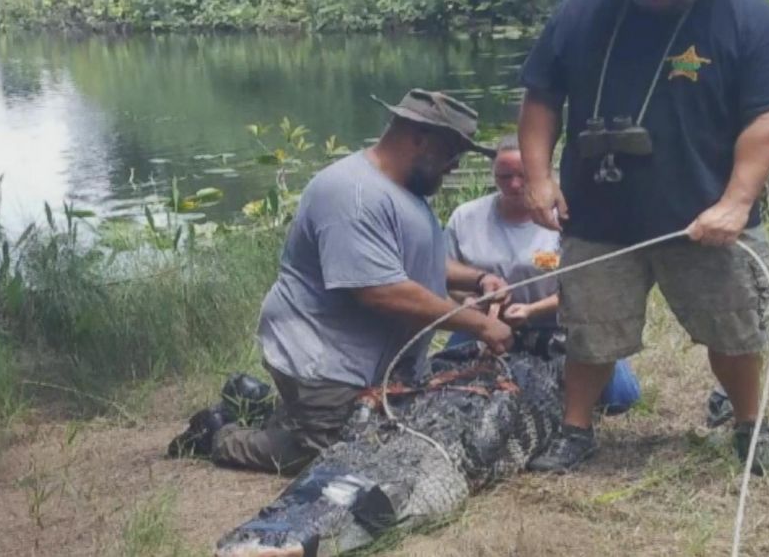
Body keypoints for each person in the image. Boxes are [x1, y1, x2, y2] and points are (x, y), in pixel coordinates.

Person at [518, 0, 769, 475]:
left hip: (705, 217)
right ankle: (576, 431)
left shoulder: (747, 17)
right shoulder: (578, 16)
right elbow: (541, 98)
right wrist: (537, 177)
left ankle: (750, 426)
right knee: (588, 332)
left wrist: (737, 201)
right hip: (597, 217)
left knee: (735, 330)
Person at [168, 89, 514, 475]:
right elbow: (381, 291)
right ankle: (217, 435)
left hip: (364, 364)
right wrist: (480, 324)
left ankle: (255, 402)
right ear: (420, 138)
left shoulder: (405, 189)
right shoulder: (354, 193)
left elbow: (414, 260)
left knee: (389, 430)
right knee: (333, 455)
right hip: (324, 360)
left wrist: (479, 278)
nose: (454, 166)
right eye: (453, 152)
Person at [443, 134, 641, 415]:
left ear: (541, 173)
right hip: (486, 323)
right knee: (444, 384)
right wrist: (472, 302)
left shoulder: (569, 215)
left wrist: (532, 310)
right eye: (504, 176)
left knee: (620, 398)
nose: (514, 185)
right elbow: (451, 278)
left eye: (522, 176)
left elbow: (587, 287)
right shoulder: (465, 217)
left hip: (560, 322)